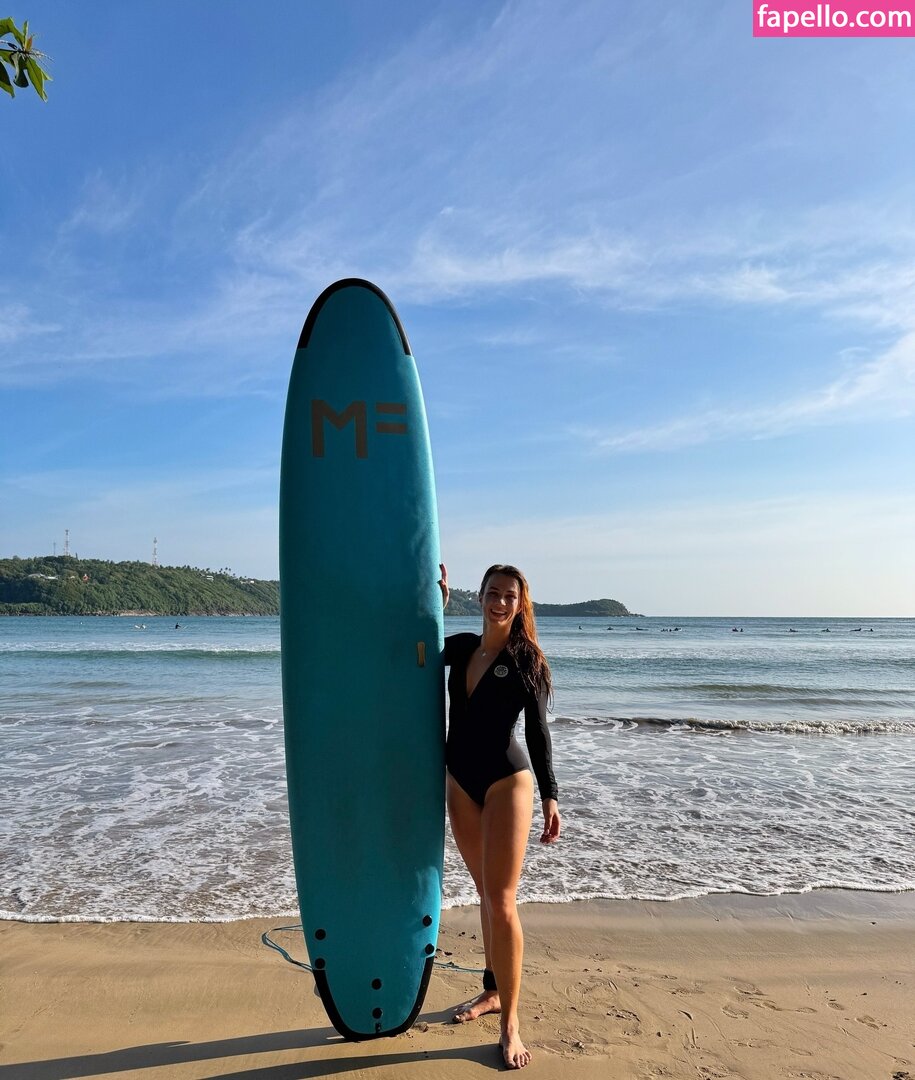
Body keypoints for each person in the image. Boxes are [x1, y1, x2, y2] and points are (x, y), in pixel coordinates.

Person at [438, 562, 560, 1070]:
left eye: (510, 595)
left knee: (503, 900)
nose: (500, 602)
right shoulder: (461, 647)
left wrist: (551, 795)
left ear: (520, 603)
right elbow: (411, 653)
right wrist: (436, 606)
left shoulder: (525, 658)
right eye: (492, 592)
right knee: (483, 893)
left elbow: (537, 732)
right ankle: (491, 991)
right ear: (481, 596)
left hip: (507, 780)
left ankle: (511, 1022)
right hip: (459, 781)